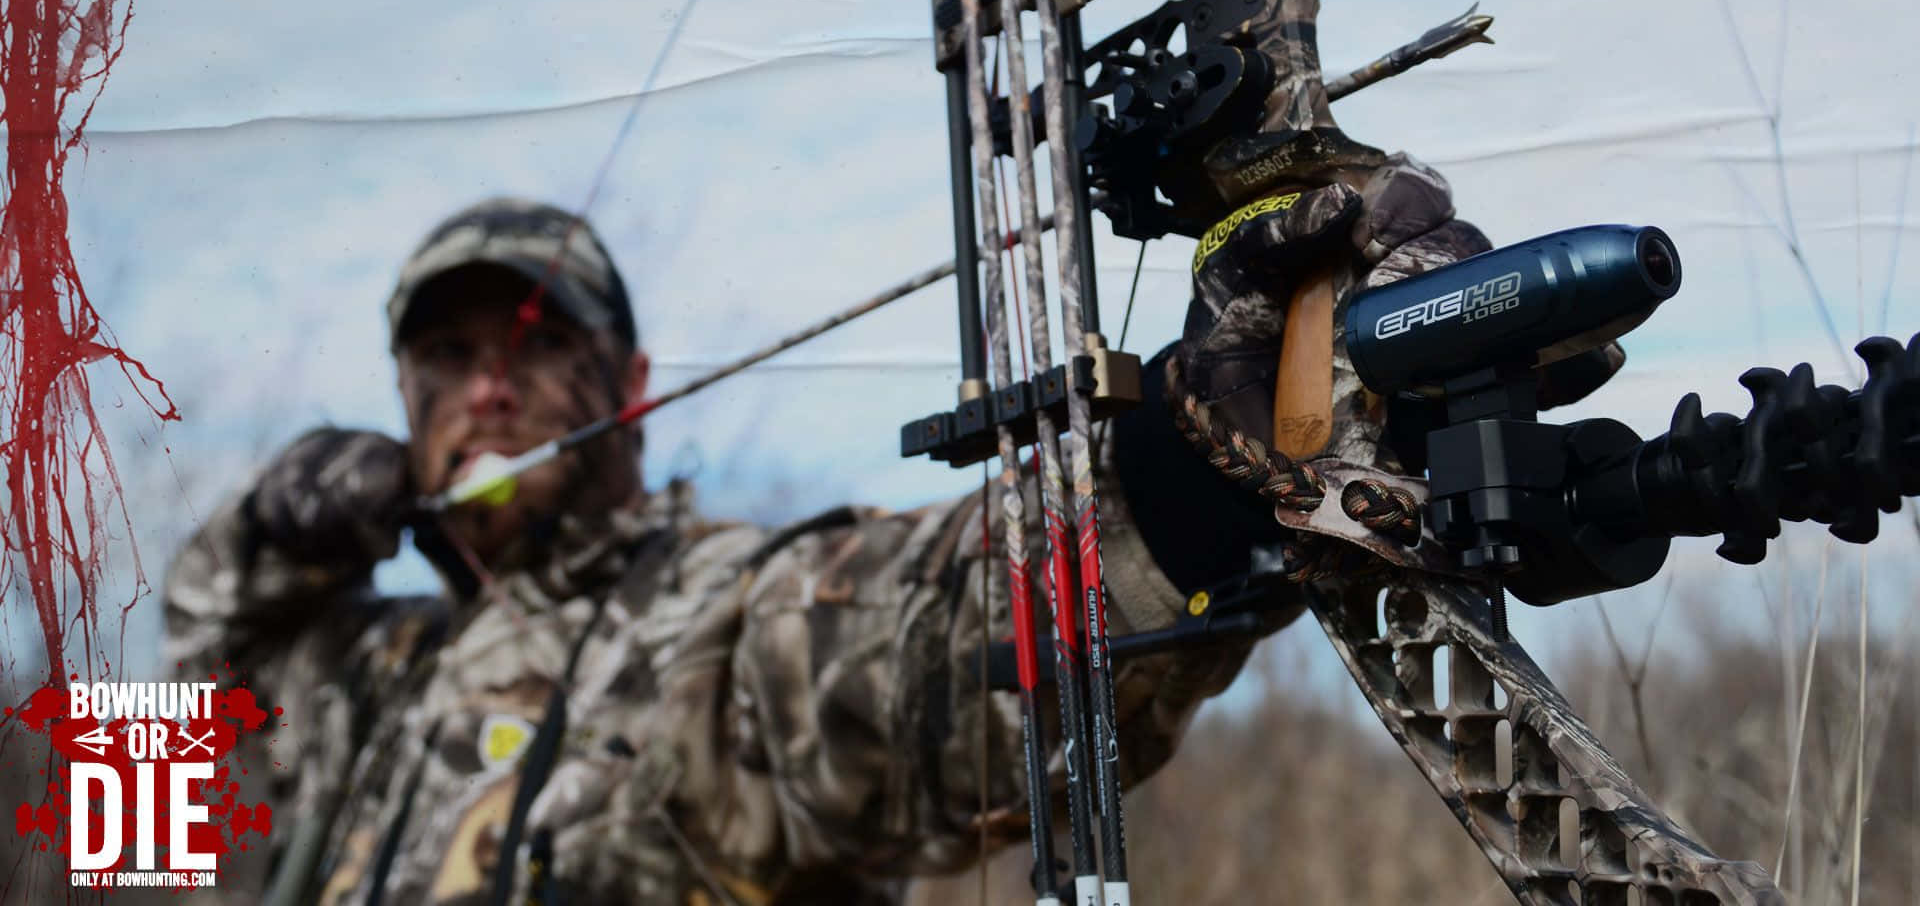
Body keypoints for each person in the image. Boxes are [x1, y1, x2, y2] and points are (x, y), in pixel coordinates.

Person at [165, 170, 1613, 905]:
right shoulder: (368, 668)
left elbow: (929, 642)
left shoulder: (705, 621)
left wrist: (1192, 463)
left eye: (537, 345)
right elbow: (141, 793)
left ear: (632, 387)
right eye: (445, 357)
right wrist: (266, 537)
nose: (487, 389)